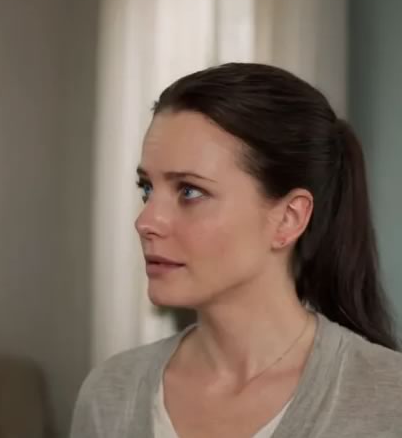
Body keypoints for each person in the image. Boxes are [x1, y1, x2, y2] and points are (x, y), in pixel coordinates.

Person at [70, 63, 402, 438]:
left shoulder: (389, 403)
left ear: (288, 219)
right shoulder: (110, 394)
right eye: (147, 189)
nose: (146, 221)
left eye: (189, 191)